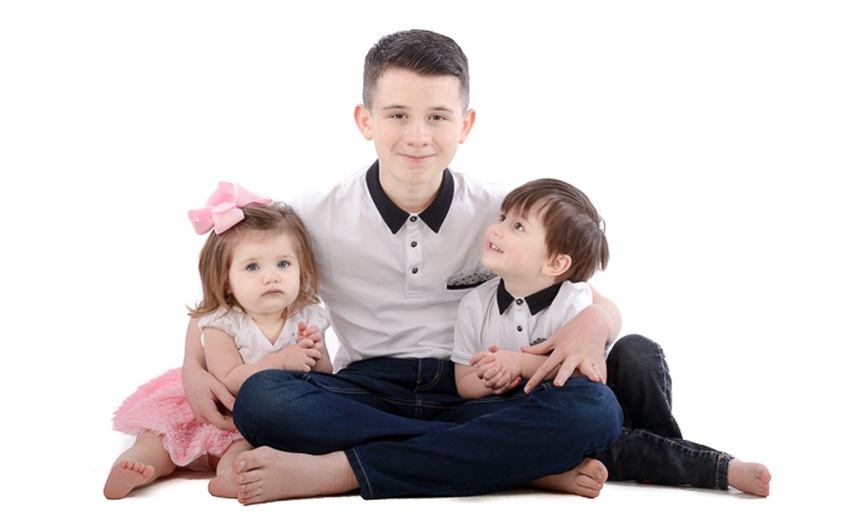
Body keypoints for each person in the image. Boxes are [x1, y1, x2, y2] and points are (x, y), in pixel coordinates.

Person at [185, 29, 624, 504]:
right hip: (362, 392)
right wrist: (192, 365)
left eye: (438, 116)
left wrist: (597, 322)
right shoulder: (314, 213)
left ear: (466, 124)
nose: (418, 136)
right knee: (263, 400)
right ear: (365, 119)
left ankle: (342, 470)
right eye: (398, 115)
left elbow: (584, 296)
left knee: (595, 410)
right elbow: (226, 279)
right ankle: (507, 461)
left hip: (476, 391)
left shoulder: (504, 215)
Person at [453, 178, 772, 497]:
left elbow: (583, 376)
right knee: (580, 432)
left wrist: (518, 363)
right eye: (502, 218)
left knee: (637, 349)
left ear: (556, 263)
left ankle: (665, 447)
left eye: (518, 227)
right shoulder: (474, 304)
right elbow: (463, 381)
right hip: (557, 416)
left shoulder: (573, 298)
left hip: (604, 399)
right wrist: (493, 377)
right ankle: (701, 465)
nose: (497, 229)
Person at [104, 183, 332, 499]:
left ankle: (231, 475)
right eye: (253, 266)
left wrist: (314, 353)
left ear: (301, 267)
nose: (271, 276)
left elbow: (324, 380)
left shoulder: (306, 316)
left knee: (247, 448)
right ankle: (136, 464)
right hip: (218, 406)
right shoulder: (222, 322)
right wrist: (281, 361)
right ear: (225, 280)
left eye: (283, 264)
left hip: (257, 419)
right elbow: (227, 378)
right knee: (161, 438)